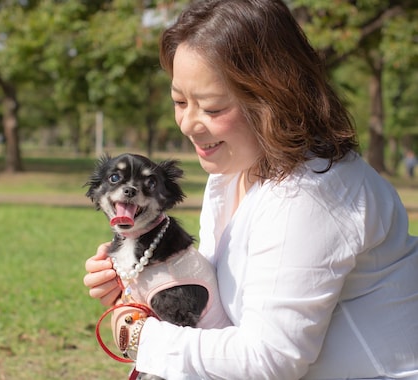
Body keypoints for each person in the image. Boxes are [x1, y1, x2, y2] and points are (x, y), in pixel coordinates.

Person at [83, 0, 418, 378]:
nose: (188, 124)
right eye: (179, 101)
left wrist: (139, 335)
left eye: (211, 108)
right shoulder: (236, 168)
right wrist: (143, 280)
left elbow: (268, 360)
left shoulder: (310, 197)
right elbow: (223, 301)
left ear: (273, 99)